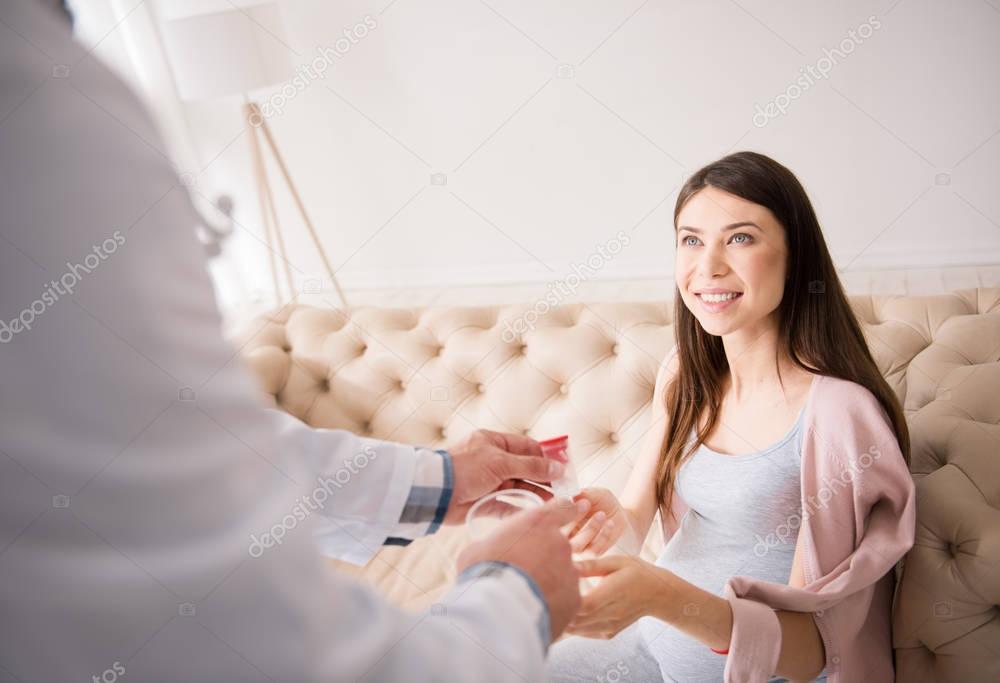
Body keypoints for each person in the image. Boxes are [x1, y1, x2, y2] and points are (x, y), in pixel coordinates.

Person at [0, 2, 589, 681]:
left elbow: (184, 445)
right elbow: (286, 651)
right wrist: (518, 595)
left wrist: (442, 478)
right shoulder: (41, 114)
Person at [548, 152, 916, 682]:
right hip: (646, 655)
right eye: (691, 240)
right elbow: (634, 518)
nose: (709, 267)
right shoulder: (685, 376)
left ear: (796, 255)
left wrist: (660, 595)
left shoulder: (837, 413)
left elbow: (813, 650)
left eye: (740, 238)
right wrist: (604, 523)